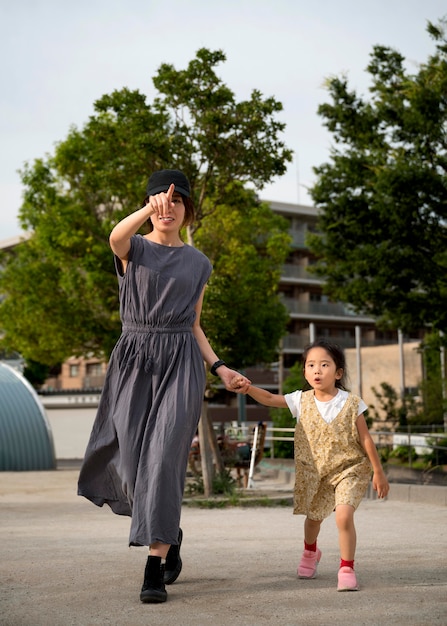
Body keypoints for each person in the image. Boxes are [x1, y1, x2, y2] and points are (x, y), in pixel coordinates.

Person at [78, 169, 250, 604]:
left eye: (175, 201)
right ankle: (169, 531)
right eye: (158, 200)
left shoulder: (199, 263)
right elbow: (115, 238)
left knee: (164, 457)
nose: (166, 207)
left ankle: (153, 567)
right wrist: (145, 208)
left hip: (181, 364)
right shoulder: (133, 249)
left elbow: (193, 322)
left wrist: (220, 368)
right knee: (134, 464)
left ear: (187, 210)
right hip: (134, 359)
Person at [231, 339, 389, 592]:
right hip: (315, 472)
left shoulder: (351, 402)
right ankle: (310, 551)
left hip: (349, 468)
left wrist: (379, 472)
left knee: (343, 515)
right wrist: (248, 388)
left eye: (324, 365)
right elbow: (271, 398)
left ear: (338, 373)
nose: (317, 370)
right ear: (305, 371)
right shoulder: (300, 400)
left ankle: (347, 567)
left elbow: (366, 438)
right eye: (311, 365)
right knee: (313, 518)